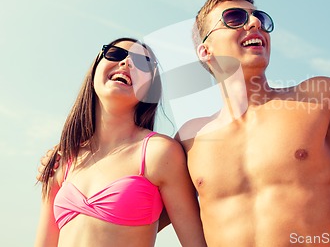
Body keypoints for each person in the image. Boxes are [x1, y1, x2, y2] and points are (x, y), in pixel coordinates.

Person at [38, 0, 330, 247]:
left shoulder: (319, 97)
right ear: (205, 51)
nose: (255, 25)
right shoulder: (188, 141)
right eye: (236, 18)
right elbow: (128, 212)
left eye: (260, 18)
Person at [35, 38, 206, 247]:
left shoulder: (160, 152)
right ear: (95, 69)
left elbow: (196, 243)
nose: (126, 63)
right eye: (115, 54)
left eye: (143, 63)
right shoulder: (63, 160)